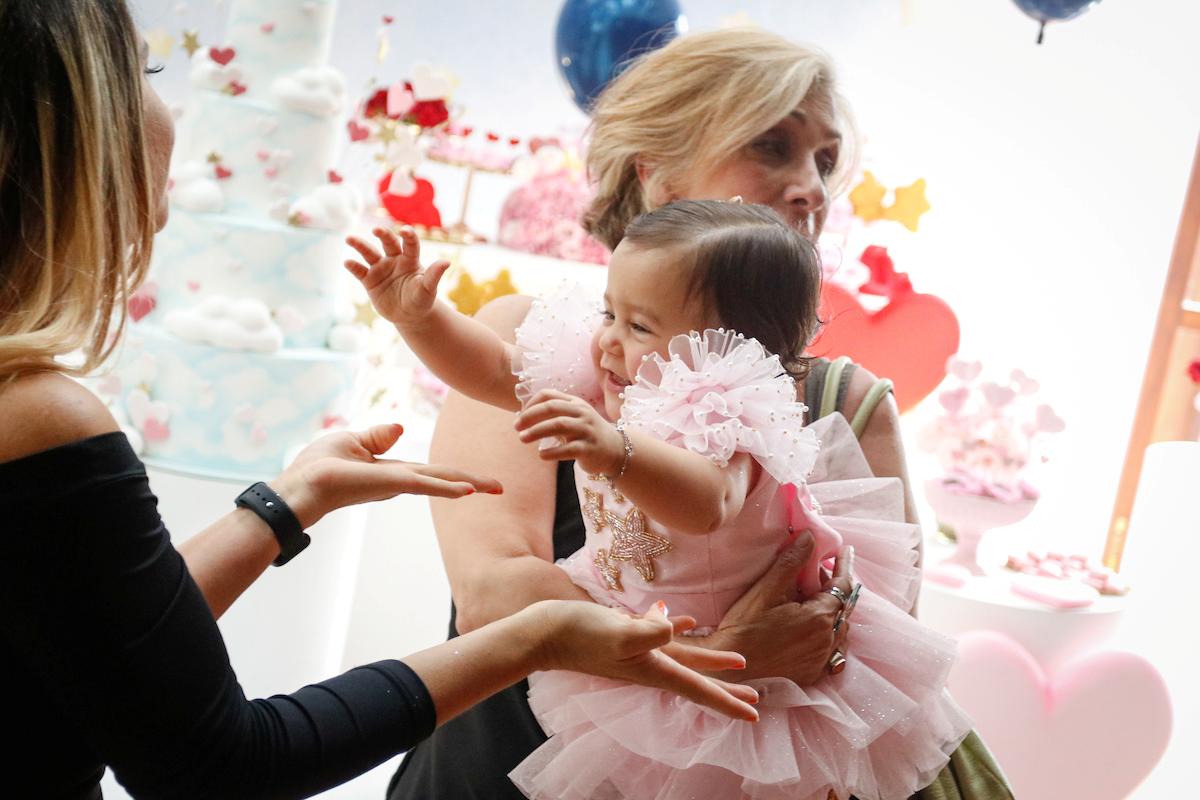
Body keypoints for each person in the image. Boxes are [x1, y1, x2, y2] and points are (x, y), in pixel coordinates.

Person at [0, 2, 761, 797]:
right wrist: (534, 639)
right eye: (148, 72)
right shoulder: (38, 416)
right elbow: (221, 762)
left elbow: (109, 644)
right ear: (65, 130)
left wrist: (283, 506)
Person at [387, 27, 1012, 800]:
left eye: (824, 160)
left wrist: (818, 630)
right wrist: (719, 655)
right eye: (772, 147)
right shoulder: (548, 340)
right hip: (507, 766)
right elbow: (495, 593)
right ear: (660, 179)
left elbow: (879, 659)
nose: (811, 186)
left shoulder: (846, 401)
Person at [346, 199, 972, 799]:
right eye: (608, 312)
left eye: (640, 324)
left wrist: (616, 449)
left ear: (728, 350)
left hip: (756, 676)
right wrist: (418, 319)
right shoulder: (611, 376)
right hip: (651, 641)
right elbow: (491, 371)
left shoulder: (728, 414)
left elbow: (709, 503)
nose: (609, 341)